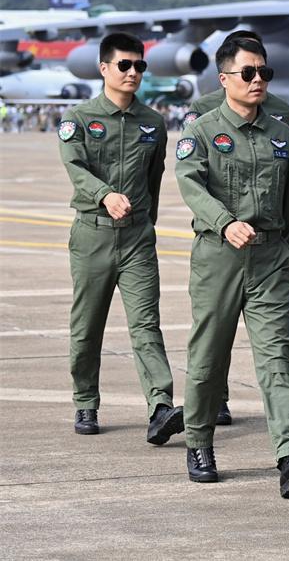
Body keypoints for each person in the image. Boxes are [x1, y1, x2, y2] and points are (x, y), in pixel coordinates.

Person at [175, 31, 289, 496]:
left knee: (278, 357)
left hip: (271, 258)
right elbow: (190, 184)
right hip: (219, 257)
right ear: (224, 78)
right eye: (248, 73)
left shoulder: (280, 132)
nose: (258, 80)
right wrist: (223, 222)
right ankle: (199, 442)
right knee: (209, 354)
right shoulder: (201, 130)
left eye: (264, 72)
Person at [56, 32, 184, 444]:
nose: (133, 73)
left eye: (139, 66)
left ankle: (160, 406)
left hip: (137, 240)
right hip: (92, 235)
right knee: (87, 326)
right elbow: (75, 167)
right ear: (104, 68)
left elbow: (154, 179)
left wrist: (147, 224)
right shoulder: (78, 119)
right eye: (124, 65)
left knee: (147, 324)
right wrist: (104, 195)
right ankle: (85, 400)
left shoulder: (153, 123)